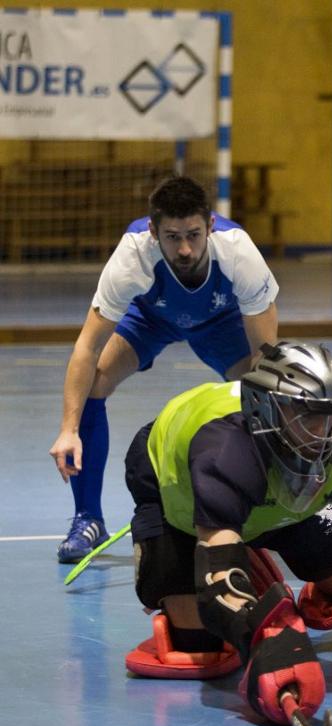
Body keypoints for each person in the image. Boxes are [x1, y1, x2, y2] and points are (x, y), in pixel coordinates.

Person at [121, 341, 332, 726]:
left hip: (291, 504)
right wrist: (265, 638)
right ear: (264, 409)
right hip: (185, 506)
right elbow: (217, 582)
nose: (324, 433)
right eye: (305, 416)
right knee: (198, 647)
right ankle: (245, 553)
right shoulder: (222, 455)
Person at [49, 175, 280, 564]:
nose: (185, 248)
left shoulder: (239, 252)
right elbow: (87, 347)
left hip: (220, 323)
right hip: (151, 318)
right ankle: (88, 518)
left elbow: (265, 356)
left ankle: (265, 510)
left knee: (261, 393)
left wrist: (263, 407)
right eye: (173, 237)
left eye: (194, 234)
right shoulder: (132, 256)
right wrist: (68, 430)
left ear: (210, 226)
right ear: (154, 232)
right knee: (95, 384)